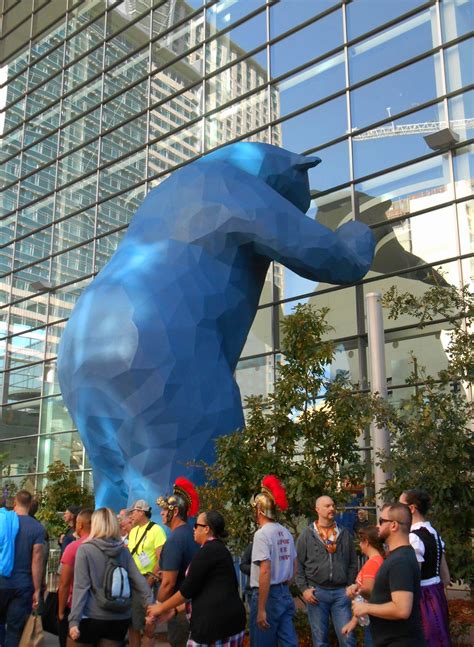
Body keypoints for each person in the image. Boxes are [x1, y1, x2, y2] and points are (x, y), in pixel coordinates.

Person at [147, 510, 246, 644]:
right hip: (228, 624)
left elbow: (187, 589)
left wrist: (161, 607)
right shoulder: (218, 549)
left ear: (206, 529)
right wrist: (175, 610)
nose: (193, 529)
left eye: (196, 525)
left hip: (214, 627)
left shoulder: (208, 551)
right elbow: (201, 589)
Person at [68, 507, 152, 647]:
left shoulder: (85, 550)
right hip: (119, 618)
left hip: (91, 616)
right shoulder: (123, 551)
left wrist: (74, 621)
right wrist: (151, 608)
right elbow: (139, 582)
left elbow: (81, 587)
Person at [352, 502, 425, 646]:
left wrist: (366, 607)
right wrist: (365, 593)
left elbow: (401, 609)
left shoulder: (400, 561)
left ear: (393, 525)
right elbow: (389, 596)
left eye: (381, 522)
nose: (378, 527)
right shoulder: (398, 556)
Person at [296, 495, 357, 646]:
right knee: (320, 641)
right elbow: (298, 564)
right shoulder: (307, 534)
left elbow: (353, 563)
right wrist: (304, 589)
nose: (332, 508)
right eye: (327, 506)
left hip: (341, 594)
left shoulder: (344, 534)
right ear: (317, 509)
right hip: (317, 593)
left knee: (348, 638)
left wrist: (349, 584)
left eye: (333, 505)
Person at [249, 475, 298, 647]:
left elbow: (265, 570)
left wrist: (262, 608)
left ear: (260, 510)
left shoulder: (261, 534)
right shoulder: (285, 532)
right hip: (284, 592)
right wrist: (283, 585)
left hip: (266, 595)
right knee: (289, 642)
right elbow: (294, 566)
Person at [399, 489, 452, 646]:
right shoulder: (433, 533)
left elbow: (414, 577)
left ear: (412, 508)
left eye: (400, 505)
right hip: (437, 593)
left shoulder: (413, 537)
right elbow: (446, 577)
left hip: (423, 598)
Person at [156, 477, 199, 647]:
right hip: (191, 605)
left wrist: (158, 607)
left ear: (174, 512)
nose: (161, 513)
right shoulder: (191, 533)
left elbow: (168, 583)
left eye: (165, 509)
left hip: (180, 608)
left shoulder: (175, 539)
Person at [0, 490, 45, 647]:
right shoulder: (37, 528)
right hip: (23, 585)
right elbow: (37, 559)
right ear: (30, 504)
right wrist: (37, 590)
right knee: (14, 630)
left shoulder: (3, 522)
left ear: (15, 503)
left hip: (2, 581)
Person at [127, 500, 166, 647]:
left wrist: (150, 579)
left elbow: (161, 558)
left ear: (142, 512)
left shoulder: (156, 530)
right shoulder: (134, 531)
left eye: (134, 511)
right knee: (133, 623)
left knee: (149, 625)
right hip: (135, 580)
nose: (132, 514)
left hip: (149, 579)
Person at [342, 526, 385, 645]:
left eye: (361, 541)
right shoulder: (379, 560)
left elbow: (369, 592)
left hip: (372, 618)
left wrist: (357, 590)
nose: (359, 545)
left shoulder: (372, 563)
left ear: (366, 542)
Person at [57, 509, 92, 647]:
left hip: (77, 607)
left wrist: (60, 611)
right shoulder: (108, 544)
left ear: (80, 525)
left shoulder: (74, 547)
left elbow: (64, 583)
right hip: (103, 608)